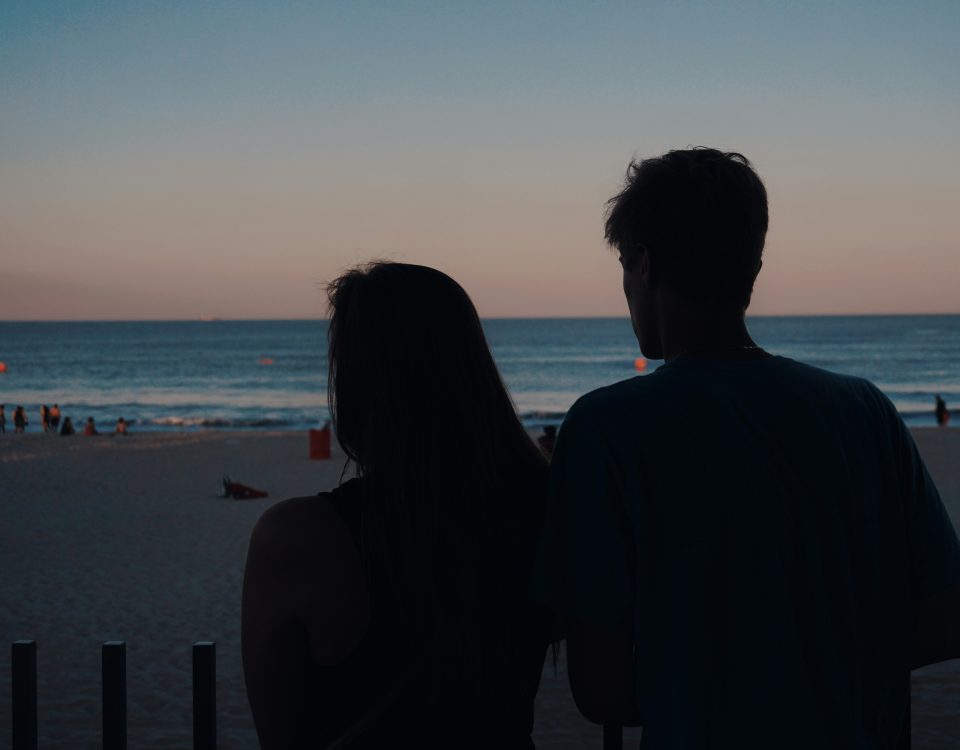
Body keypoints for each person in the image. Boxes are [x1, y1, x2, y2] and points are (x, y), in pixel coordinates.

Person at [536, 148, 960, 749]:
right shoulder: (865, 411)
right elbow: (944, 618)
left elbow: (601, 689)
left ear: (646, 265)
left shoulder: (607, 429)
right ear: (753, 266)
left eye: (625, 265)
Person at [242, 262, 550, 749]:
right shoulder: (542, 510)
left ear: (357, 384)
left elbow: (280, 735)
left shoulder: (297, 538)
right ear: (474, 370)